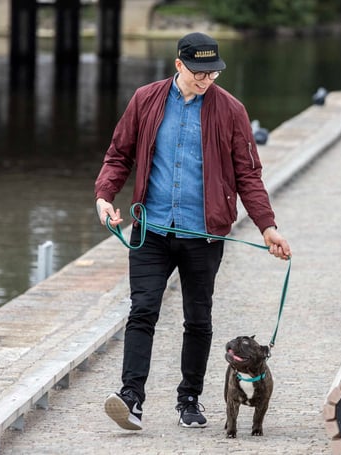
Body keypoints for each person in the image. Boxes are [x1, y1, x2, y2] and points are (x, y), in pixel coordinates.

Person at [94, 32, 291, 431]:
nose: (206, 80)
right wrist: (104, 195)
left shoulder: (231, 110)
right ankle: (131, 397)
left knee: (197, 319)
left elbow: (248, 174)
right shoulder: (146, 100)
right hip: (151, 229)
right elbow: (119, 154)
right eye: (199, 73)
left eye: (213, 73)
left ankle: (190, 399)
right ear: (179, 65)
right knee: (142, 310)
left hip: (204, 235)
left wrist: (267, 226)